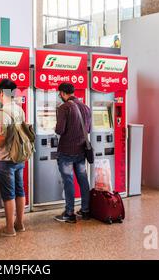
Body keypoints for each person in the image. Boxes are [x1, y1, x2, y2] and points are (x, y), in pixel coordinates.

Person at [0, 79, 26, 237]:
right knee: (20, 191)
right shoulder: (20, 110)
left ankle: (10, 228)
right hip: (19, 157)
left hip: (6, 158)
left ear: (2, 93)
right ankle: (20, 224)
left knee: (8, 194)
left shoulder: (3, 112)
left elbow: (2, 136)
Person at [54, 83, 92, 223]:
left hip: (67, 152)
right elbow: (89, 129)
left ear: (63, 93)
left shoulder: (64, 107)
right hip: (81, 151)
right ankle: (85, 210)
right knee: (83, 180)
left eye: (60, 94)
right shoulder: (86, 107)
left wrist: (55, 126)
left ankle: (69, 213)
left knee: (68, 181)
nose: (60, 96)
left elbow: (59, 130)